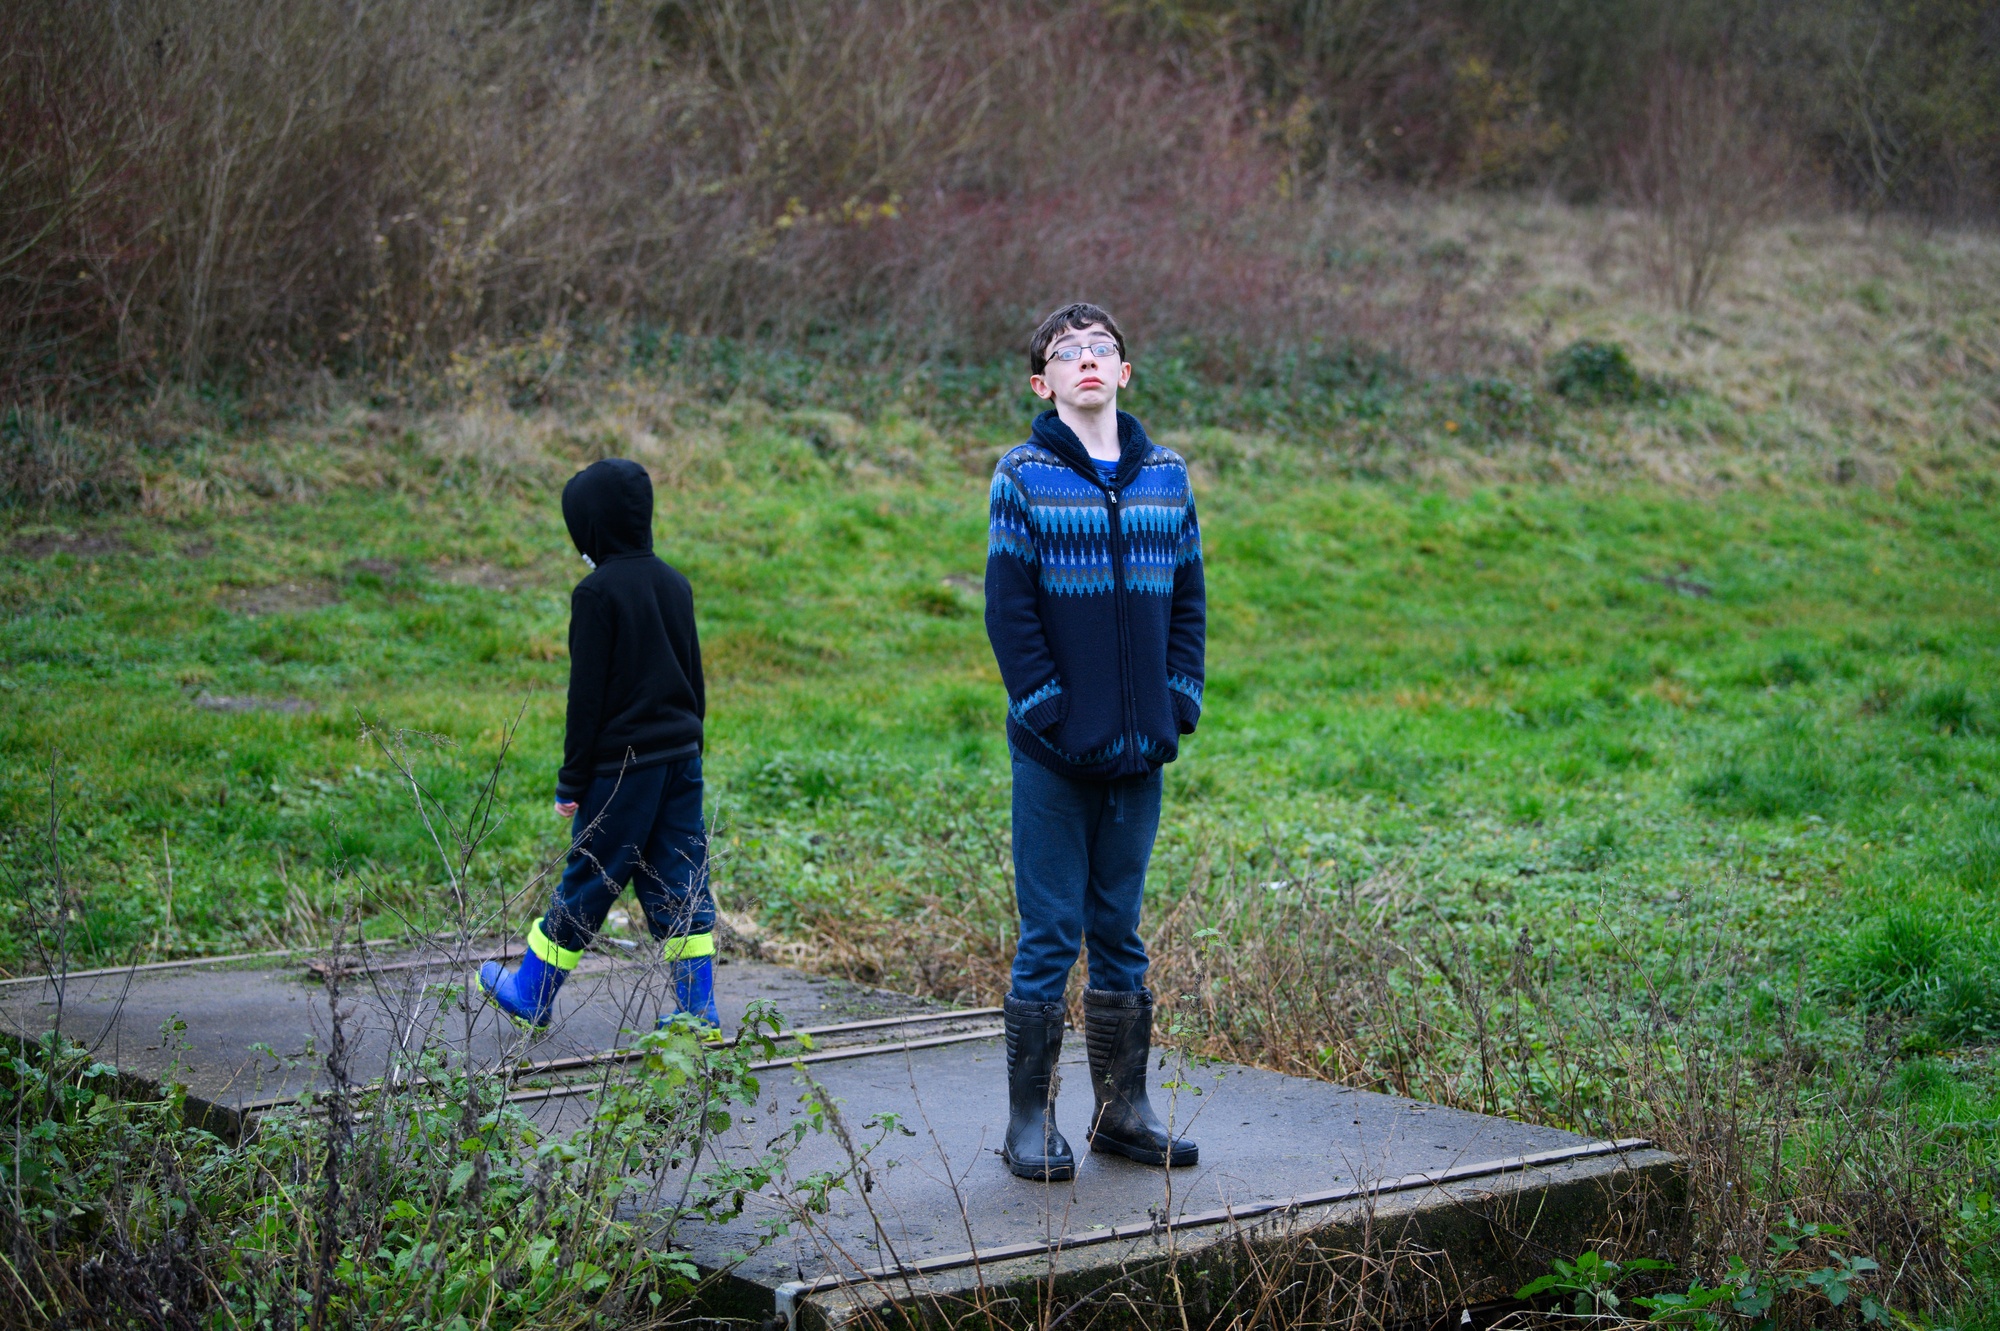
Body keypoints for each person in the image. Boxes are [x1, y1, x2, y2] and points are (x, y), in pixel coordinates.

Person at [984, 302, 1205, 1181]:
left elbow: (1188, 601)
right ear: (1043, 383)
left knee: (1120, 929)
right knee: (1050, 932)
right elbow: (1009, 611)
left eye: (1100, 349)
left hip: (1139, 752)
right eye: (1066, 352)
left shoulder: (1167, 477)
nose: (1086, 360)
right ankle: (1028, 1122)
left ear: (1123, 373)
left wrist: (1177, 703)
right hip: (1053, 756)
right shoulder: (1024, 476)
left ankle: (1123, 1111)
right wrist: (1049, 713)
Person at [478, 457, 718, 1032]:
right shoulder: (676, 583)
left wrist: (572, 781)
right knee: (681, 876)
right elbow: (695, 678)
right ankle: (698, 1011)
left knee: (591, 874)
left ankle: (532, 991)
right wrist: (689, 747)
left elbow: (585, 699)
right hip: (680, 759)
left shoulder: (596, 593)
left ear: (589, 528)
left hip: (622, 770)